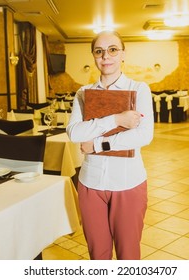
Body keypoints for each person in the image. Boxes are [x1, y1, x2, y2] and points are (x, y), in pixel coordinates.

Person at [66, 31, 154, 260]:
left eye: (113, 49)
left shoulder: (139, 89)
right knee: (98, 254)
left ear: (123, 54)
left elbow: (143, 135)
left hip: (128, 183)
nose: (106, 56)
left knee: (128, 254)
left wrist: (97, 145)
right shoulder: (83, 93)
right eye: (99, 51)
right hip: (90, 184)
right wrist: (116, 120)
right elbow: (75, 133)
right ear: (94, 56)